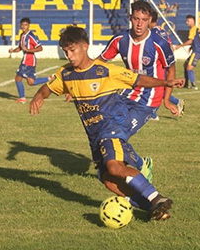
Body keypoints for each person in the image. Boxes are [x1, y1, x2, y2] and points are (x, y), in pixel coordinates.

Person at [29, 26, 184, 220]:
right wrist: (38, 96)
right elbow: (48, 87)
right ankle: (153, 209)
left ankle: (157, 198)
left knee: (115, 167)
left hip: (111, 127)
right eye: (65, 51)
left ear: (85, 47)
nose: (69, 55)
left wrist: (165, 83)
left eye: (72, 50)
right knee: (108, 180)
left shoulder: (104, 70)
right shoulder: (66, 74)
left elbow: (137, 80)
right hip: (94, 135)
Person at [100, 0, 184, 129]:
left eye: (144, 20)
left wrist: (166, 100)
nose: (139, 24)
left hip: (149, 99)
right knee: (103, 125)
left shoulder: (159, 44)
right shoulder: (120, 40)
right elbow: (99, 62)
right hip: (127, 93)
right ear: (130, 18)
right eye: (136, 19)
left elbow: (171, 70)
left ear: (150, 20)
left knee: (119, 132)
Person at [8, 17, 51, 103]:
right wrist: (13, 51)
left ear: (29, 26)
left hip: (28, 61)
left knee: (18, 78)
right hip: (27, 60)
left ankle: (22, 98)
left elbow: (40, 48)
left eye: (26, 25)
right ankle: (50, 78)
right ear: (20, 26)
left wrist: (28, 50)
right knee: (31, 82)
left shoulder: (31, 36)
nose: (24, 26)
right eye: (22, 25)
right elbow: (20, 47)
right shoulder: (22, 35)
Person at [174, 15, 200, 90]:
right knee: (185, 64)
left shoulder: (193, 29)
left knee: (189, 67)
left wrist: (180, 46)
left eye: (188, 21)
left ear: (192, 21)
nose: (186, 22)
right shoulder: (196, 29)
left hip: (197, 51)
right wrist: (192, 47)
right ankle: (186, 84)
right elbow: (197, 40)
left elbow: (191, 40)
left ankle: (194, 85)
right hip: (198, 50)